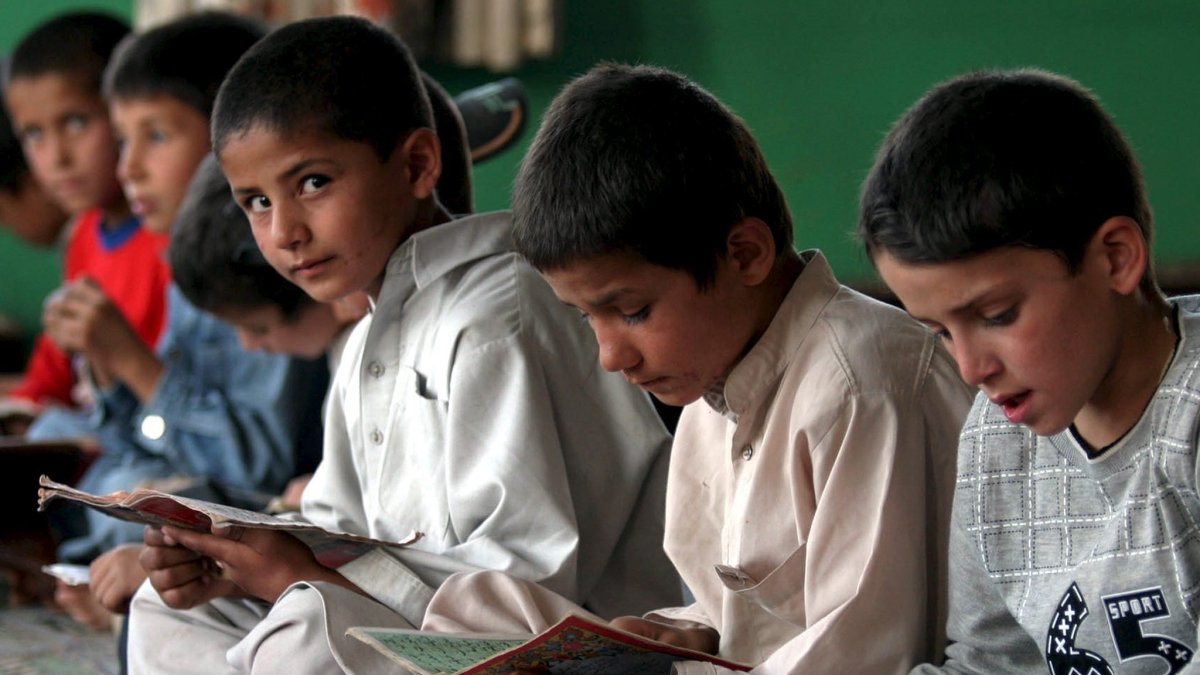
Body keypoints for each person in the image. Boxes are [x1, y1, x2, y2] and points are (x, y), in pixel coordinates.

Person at [126, 16, 678, 673]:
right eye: (256, 201)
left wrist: (302, 582)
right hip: (426, 625)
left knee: (309, 627)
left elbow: (531, 590)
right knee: (166, 604)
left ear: (417, 164)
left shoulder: (497, 313)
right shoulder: (367, 340)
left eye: (311, 183)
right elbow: (338, 532)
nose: (286, 231)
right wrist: (239, 565)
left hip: (567, 652)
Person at [418, 63, 974, 674]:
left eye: (631, 311)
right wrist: (675, 632)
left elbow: (866, 654)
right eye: (584, 319)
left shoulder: (861, 384)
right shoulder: (713, 388)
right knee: (472, 611)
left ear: (745, 253)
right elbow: (743, 620)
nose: (611, 357)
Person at [859, 68, 1197, 674]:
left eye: (997, 314)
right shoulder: (996, 438)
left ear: (1115, 258)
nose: (970, 368)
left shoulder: (1190, 414)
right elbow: (990, 664)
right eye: (939, 331)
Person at [30, 10, 328, 573]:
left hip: (258, 503)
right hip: (192, 473)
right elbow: (152, 434)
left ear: (234, 143)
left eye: (157, 137)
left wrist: (136, 365)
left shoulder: (268, 264)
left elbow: (257, 468)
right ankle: (86, 562)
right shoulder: (184, 263)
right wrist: (107, 368)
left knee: (146, 493)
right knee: (58, 437)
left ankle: (106, 564)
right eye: (122, 141)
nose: (129, 169)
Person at [2, 12, 170, 426]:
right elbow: (51, 377)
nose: (56, 158)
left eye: (76, 122)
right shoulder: (85, 237)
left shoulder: (169, 241)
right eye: (34, 135)